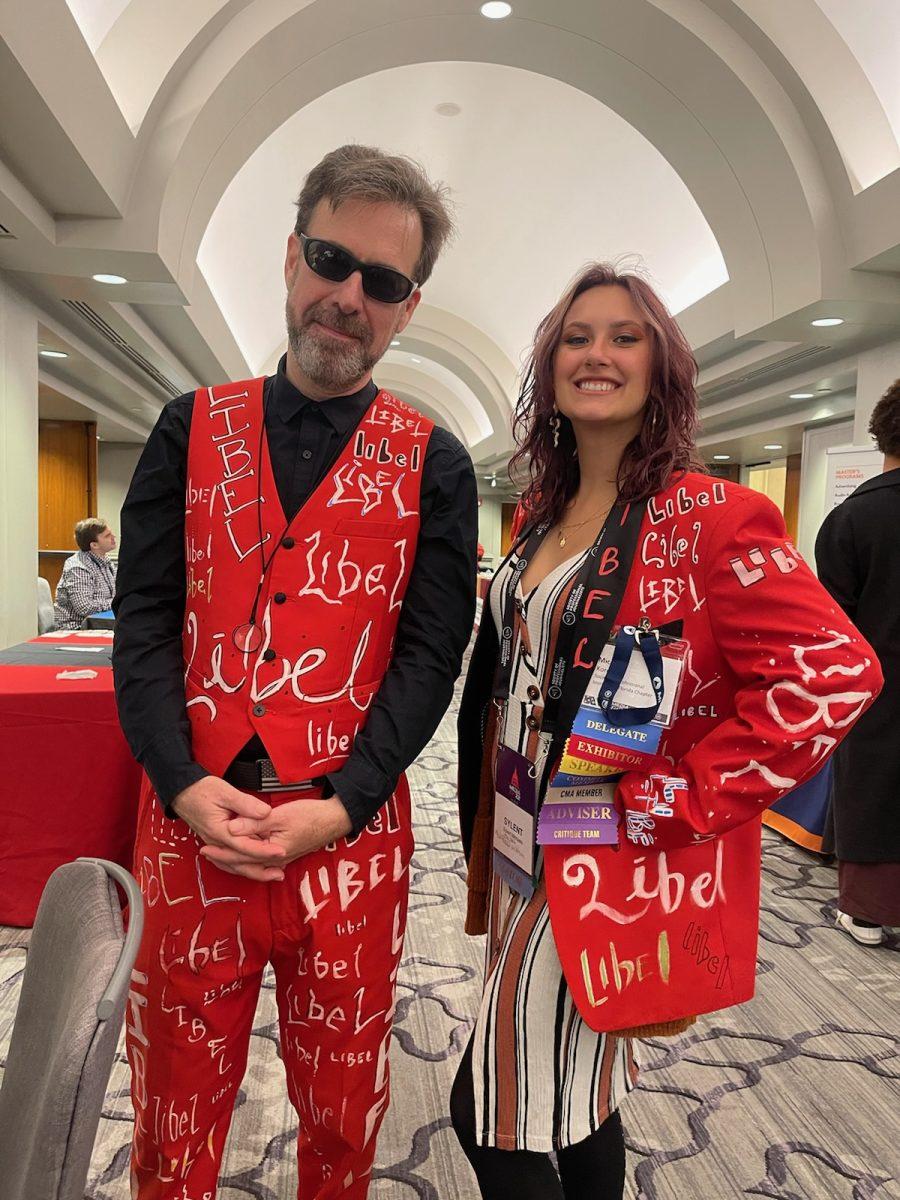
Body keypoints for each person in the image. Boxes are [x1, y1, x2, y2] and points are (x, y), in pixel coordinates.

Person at [453, 262, 883, 1200]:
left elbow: (837, 674)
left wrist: (679, 799)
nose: (595, 354)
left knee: (492, 1111)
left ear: (662, 368)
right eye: (575, 337)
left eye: (623, 336)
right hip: (525, 832)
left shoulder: (710, 520)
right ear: (549, 368)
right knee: (581, 1088)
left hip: (607, 840)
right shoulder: (540, 516)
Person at [112, 144, 478, 1199]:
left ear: (407, 308)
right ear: (290, 257)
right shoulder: (189, 428)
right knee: (172, 1110)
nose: (348, 296)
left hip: (348, 843)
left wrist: (348, 802)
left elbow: (429, 653)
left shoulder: (436, 461)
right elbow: (142, 624)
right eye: (331, 258)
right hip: (190, 826)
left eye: (385, 281)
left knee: (343, 1105)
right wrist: (181, 781)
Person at [815, 378, 900, 945]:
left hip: (877, 686)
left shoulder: (853, 518)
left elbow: (830, 627)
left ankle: (868, 910)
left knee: (871, 782)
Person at [52, 517, 117, 629]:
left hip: (102, 623)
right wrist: (116, 603)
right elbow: (85, 607)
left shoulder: (106, 562)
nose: (113, 537)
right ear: (94, 545)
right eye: (107, 536)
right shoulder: (78, 567)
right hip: (76, 628)